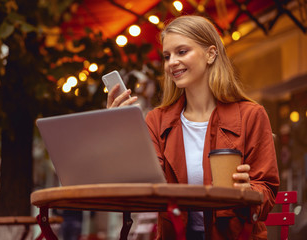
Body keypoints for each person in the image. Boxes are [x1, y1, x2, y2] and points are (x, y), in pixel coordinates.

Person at [106, 15, 279, 239]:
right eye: (167, 56)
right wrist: (117, 132)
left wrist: (248, 192)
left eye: (182, 52)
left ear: (210, 54)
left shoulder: (251, 115)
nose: (171, 63)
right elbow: (143, 182)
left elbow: (267, 191)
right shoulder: (156, 120)